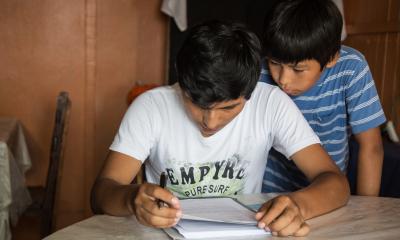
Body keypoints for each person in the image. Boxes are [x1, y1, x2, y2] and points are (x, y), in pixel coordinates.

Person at [91, 20, 349, 237]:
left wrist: (299, 205)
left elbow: (335, 182)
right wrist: (131, 199)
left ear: (250, 93)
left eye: (228, 108)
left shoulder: (270, 103)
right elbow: (102, 192)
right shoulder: (151, 107)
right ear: (182, 81)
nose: (210, 122)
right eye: (196, 102)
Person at [260, 0, 386, 196]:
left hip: (327, 193)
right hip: (271, 191)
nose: (283, 80)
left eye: (297, 69)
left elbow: (371, 146)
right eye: (275, 63)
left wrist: (367, 209)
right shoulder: (260, 72)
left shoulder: (352, 69)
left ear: (331, 58)